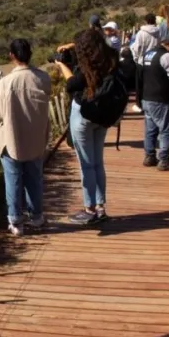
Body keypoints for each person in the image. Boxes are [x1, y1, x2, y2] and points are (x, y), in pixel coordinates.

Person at [56, 29, 125, 225]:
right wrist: (72, 45)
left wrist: (61, 64)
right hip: (101, 115)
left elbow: (72, 85)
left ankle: (89, 209)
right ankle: (101, 206)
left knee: (86, 164)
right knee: (98, 162)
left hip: (84, 114)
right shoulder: (109, 58)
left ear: (83, 50)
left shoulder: (86, 68)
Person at [0, 39, 52, 236]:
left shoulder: (4, 83)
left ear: (12, 56)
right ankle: (37, 217)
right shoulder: (43, 78)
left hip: (11, 138)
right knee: (34, 178)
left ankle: (16, 221)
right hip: (36, 138)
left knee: (13, 179)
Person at [141, 32, 169, 171]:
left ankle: (149, 156)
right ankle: (164, 159)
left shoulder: (148, 54)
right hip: (160, 99)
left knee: (150, 129)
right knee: (168, 129)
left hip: (147, 97)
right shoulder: (166, 56)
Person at [130, 13, 162, 113]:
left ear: (145, 21)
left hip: (142, 61)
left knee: (139, 84)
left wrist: (136, 58)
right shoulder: (158, 32)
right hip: (154, 61)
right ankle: (152, 103)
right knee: (152, 83)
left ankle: (139, 105)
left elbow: (137, 47)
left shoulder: (141, 33)